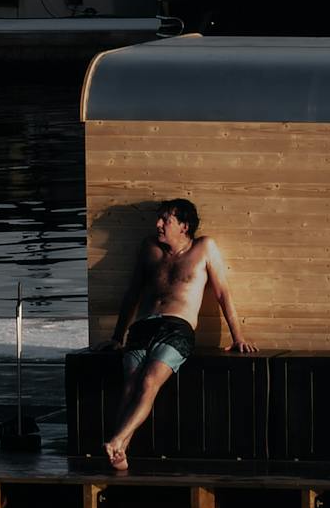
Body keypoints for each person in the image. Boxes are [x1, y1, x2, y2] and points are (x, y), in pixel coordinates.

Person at [97, 199, 255, 472]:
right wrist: (117, 336)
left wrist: (237, 336)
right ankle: (119, 452)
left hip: (177, 328)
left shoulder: (204, 248)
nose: (158, 225)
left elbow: (222, 293)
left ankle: (119, 439)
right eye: (159, 219)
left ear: (184, 226)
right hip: (143, 326)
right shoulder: (149, 249)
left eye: (165, 220)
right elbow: (132, 294)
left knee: (148, 381)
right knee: (129, 384)